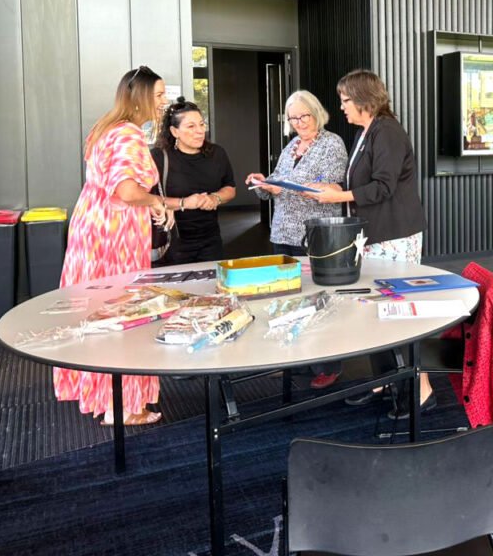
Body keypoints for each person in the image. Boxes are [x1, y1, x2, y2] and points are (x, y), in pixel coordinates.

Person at [54, 65, 173, 427]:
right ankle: (124, 406)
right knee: (124, 314)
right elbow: (127, 191)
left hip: (93, 228)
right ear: (140, 99)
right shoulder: (128, 135)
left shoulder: (105, 128)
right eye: (159, 95)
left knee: (98, 311)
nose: (164, 101)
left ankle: (106, 399)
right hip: (115, 235)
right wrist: (156, 203)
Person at [307, 70, 430, 418]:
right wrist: (335, 189)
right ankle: (386, 381)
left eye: (345, 100)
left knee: (395, 311)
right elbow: (363, 183)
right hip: (375, 234)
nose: (341, 107)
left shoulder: (387, 131)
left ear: (364, 99)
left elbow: (383, 187)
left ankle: (421, 390)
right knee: (376, 310)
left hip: (394, 234)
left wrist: (339, 196)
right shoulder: (366, 131)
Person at [246, 90, 347, 389]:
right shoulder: (291, 146)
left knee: (319, 298)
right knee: (289, 299)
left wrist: (284, 187)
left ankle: (328, 363)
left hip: (314, 232)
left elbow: (330, 187)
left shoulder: (332, 143)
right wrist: (263, 183)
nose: (299, 122)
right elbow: (276, 183)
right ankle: (296, 359)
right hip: (283, 231)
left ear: (317, 113)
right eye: (293, 118)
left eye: (304, 116)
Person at [151, 97, 236, 265]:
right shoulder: (159, 157)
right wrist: (184, 203)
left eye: (202, 124)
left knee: (212, 280)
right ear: (175, 131)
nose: (200, 131)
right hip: (172, 242)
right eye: (191, 126)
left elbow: (230, 188)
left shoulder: (217, 154)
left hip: (211, 241)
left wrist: (215, 198)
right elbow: (145, 199)